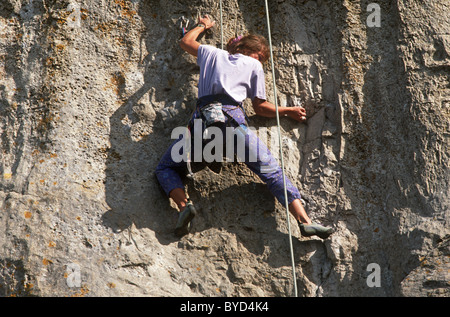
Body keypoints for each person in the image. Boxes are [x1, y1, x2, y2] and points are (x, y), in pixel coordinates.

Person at [155, 15, 333, 239]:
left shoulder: (212, 53)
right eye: (259, 55)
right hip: (234, 123)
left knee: (166, 168)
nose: (258, 60)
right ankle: (305, 221)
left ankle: (184, 206)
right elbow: (260, 108)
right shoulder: (255, 65)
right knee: (272, 171)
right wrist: (288, 111)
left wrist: (203, 26)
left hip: (203, 122)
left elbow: (186, 42)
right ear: (251, 52)